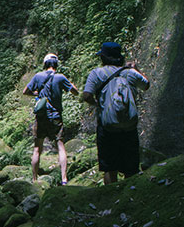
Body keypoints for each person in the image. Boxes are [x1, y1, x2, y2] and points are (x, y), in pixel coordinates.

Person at [81, 42, 150, 184]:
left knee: (110, 168)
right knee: (131, 168)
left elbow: (87, 96)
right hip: (129, 126)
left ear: (104, 58)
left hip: (107, 126)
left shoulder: (97, 73)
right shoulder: (130, 73)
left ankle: (110, 199)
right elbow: (146, 85)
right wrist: (136, 69)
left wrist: (98, 105)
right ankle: (129, 197)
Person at [23, 53, 78, 185]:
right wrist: (72, 85)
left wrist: (36, 93)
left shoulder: (38, 76)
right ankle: (64, 179)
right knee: (60, 146)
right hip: (56, 116)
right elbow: (75, 92)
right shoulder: (60, 78)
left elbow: (26, 91)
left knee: (37, 149)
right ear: (56, 64)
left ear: (45, 64)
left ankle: (34, 180)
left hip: (41, 117)